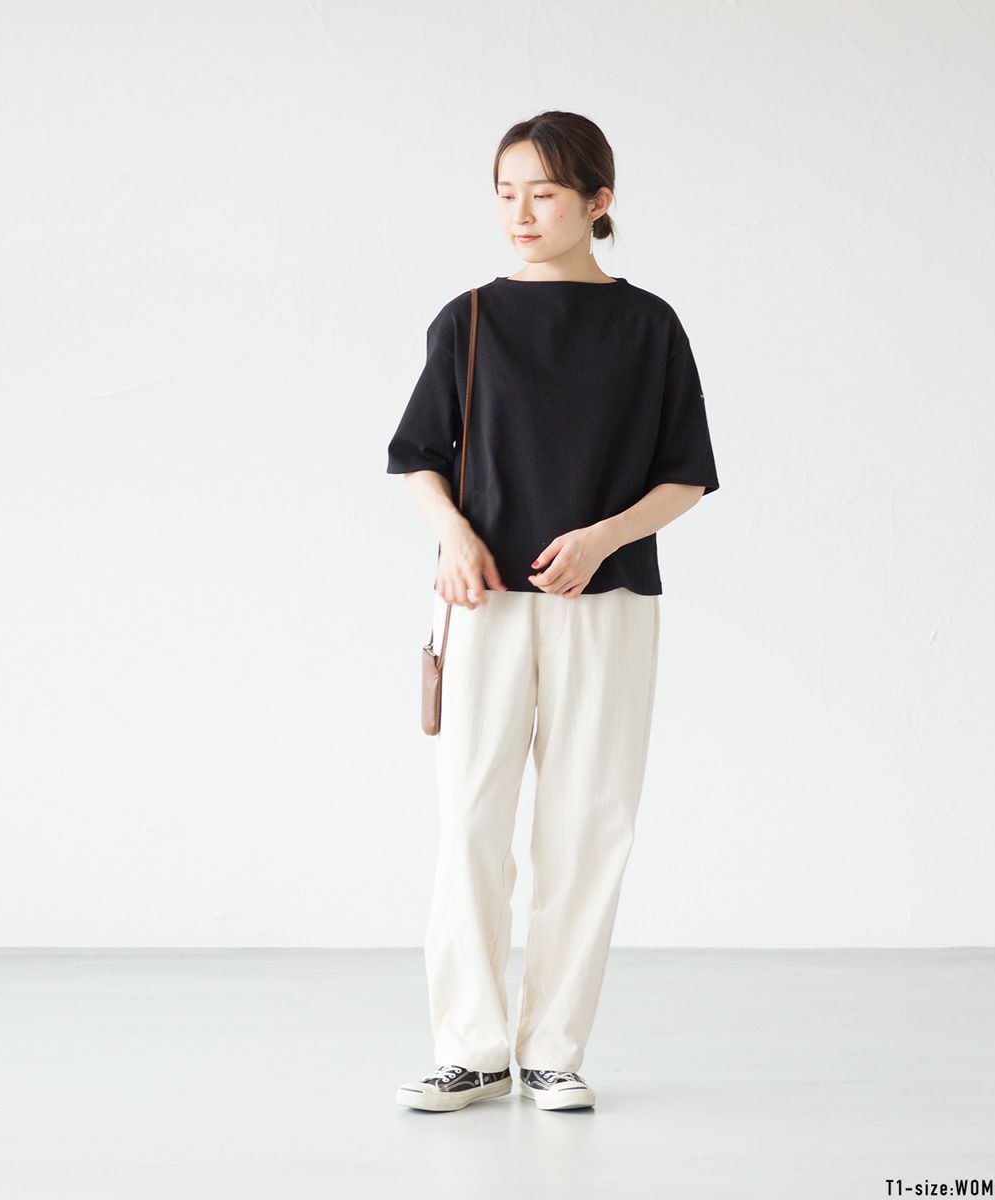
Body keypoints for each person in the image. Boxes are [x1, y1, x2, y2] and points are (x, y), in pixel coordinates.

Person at [387, 111, 719, 1113]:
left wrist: (602, 537)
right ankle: (471, 1047)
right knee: (470, 821)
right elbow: (418, 458)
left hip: (606, 603)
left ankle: (553, 1050)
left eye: (543, 192)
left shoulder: (649, 326)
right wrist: (453, 537)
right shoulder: (469, 320)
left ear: (598, 200)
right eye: (505, 192)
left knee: (590, 822)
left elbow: (686, 476)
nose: (520, 213)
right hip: (483, 601)